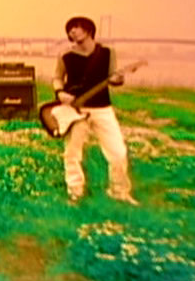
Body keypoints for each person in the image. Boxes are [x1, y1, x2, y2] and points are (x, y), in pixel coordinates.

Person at [52, 16, 139, 206]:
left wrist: (118, 79)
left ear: (88, 30)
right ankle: (75, 193)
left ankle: (119, 192)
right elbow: (57, 77)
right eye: (70, 29)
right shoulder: (65, 55)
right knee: (72, 153)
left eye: (76, 27)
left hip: (102, 109)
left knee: (118, 152)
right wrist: (60, 92)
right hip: (75, 110)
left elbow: (114, 79)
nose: (72, 31)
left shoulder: (108, 53)